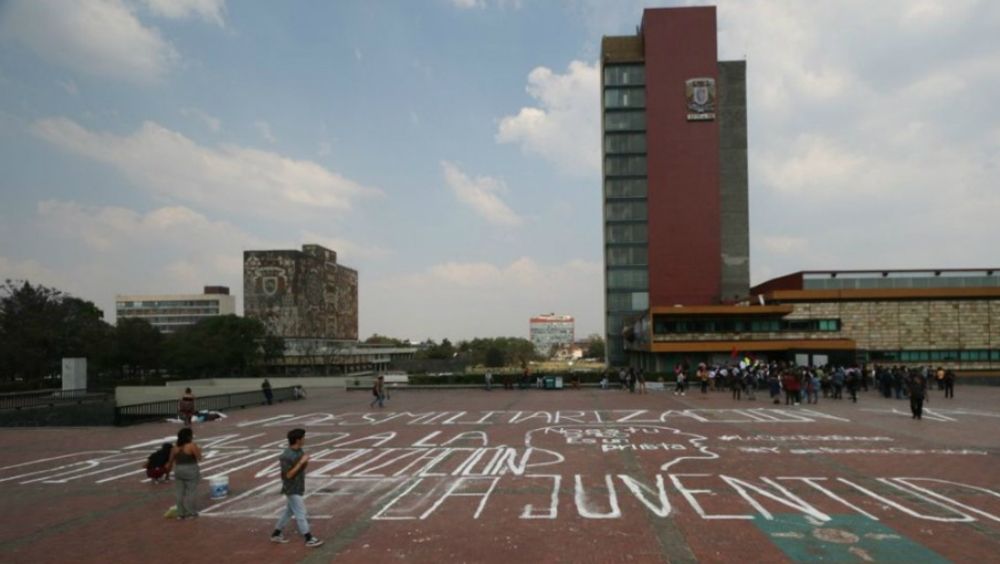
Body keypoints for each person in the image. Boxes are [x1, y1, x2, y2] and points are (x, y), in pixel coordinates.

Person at [270, 428, 323, 547]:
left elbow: (301, 468)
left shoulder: (299, 451)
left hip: (299, 486)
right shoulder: (286, 456)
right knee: (301, 512)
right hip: (291, 488)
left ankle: (276, 533)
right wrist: (301, 462)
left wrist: (305, 461)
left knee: (289, 511)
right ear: (298, 440)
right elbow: (288, 475)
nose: (305, 439)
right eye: (303, 438)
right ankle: (308, 538)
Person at [167, 427, 202, 519]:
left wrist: (167, 473)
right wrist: (199, 449)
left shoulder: (175, 448)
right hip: (190, 468)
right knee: (191, 491)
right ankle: (191, 512)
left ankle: (180, 513)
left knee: (179, 492)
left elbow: (170, 461)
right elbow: (199, 457)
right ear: (188, 436)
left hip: (178, 469)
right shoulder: (191, 445)